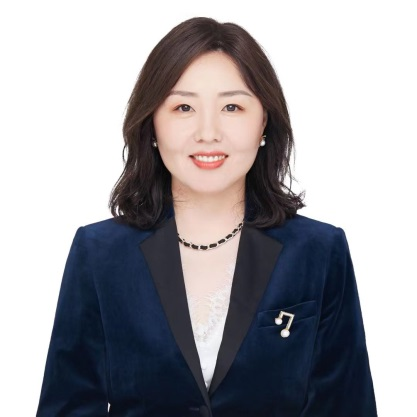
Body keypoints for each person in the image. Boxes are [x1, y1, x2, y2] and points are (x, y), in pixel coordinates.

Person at [36, 17, 378, 417]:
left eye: (232, 107)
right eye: (183, 107)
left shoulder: (319, 251)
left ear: (264, 122)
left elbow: (346, 405)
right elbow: (69, 405)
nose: (208, 132)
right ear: (152, 124)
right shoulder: (99, 253)